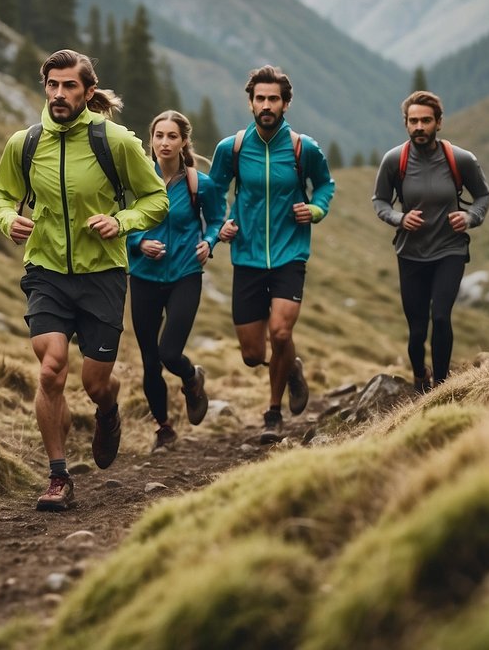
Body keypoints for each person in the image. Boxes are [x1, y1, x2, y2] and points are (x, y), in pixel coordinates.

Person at [0, 49, 168, 511]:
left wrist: (122, 222)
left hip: (102, 275)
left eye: (70, 86)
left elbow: (156, 199)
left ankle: (108, 410)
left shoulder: (116, 142)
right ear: (44, 87)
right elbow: (0, 193)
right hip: (46, 271)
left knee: (94, 382)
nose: (60, 94)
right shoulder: (24, 143)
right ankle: (58, 476)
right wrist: (8, 219)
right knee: (50, 370)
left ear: (89, 92)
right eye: (53, 85)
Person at [209, 65, 335, 444]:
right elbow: (214, 192)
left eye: (273, 99)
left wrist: (315, 210)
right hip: (247, 257)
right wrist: (220, 228)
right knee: (251, 353)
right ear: (250, 103)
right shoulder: (231, 148)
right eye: (260, 98)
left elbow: (325, 185)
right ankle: (291, 366)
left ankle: (273, 412)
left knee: (281, 332)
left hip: (289, 253)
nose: (267, 105)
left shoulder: (302, 148)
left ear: (285, 103)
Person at [371, 90, 489, 393]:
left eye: (426, 120)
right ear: (406, 124)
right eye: (413, 121)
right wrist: (400, 219)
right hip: (410, 253)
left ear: (438, 123)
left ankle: (441, 386)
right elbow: (380, 201)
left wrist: (469, 218)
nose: (419, 127)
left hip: (449, 249)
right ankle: (419, 375)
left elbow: (483, 197)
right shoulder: (394, 160)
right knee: (416, 330)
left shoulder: (460, 159)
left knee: (440, 315)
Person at [126, 110, 225, 450]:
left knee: (170, 352)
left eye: (172, 136)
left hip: (185, 273)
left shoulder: (201, 184)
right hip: (143, 276)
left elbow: (215, 220)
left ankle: (191, 378)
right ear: (150, 140)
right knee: (150, 361)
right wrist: (138, 242)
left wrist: (208, 242)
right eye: (159, 136)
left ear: (184, 142)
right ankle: (164, 428)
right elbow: (117, 223)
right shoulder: (137, 180)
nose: (164, 142)